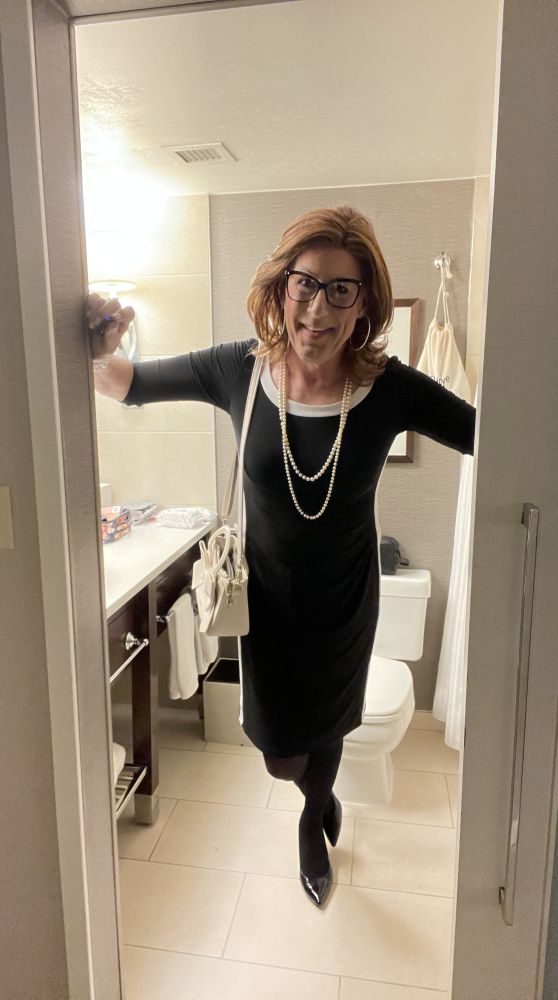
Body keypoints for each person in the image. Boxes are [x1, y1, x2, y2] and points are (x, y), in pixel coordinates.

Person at [87, 204, 475, 908]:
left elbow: (493, 436)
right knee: (278, 755)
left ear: (364, 304)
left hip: (345, 601)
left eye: (341, 290)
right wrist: (94, 344)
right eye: (306, 284)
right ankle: (313, 794)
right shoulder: (239, 369)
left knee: (330, 725)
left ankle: (312, 820)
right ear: (282, 286)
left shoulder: (389, 389)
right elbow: (128, 383)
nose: (318, 309)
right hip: (265, 603)